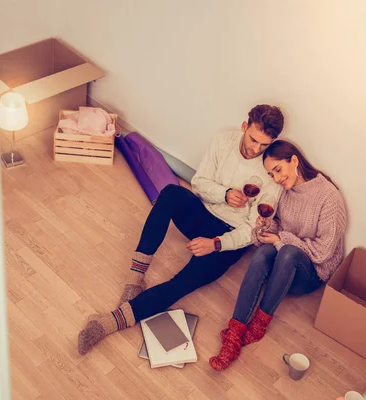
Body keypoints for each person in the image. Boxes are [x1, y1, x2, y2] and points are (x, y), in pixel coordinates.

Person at [77, 104, 285, 355]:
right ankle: (134, 280)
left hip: (228, 239)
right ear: (244, 127)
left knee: (182, 283)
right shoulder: (224, 139)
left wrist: (215, 244)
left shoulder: (273, 170)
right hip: (205, 213)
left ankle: (108, 323)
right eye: (253, 139)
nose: (256, 149)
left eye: (264, 145)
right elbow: (198, 183)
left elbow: (250, 232)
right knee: (172, 193)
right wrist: (225, 194)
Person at [209, 140, 347, 371]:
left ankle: (259, 325)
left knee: (288, 252)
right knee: (264, 250)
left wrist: (281, 240)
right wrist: (266, 227)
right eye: (271, 174)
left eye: (278, 170)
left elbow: (323, 253)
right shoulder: (284, 192)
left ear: (294, 160)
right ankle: (235, 332)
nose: (277, 179)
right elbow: (279, 230)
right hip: (282, 267)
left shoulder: (328, 198)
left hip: (310, 273)